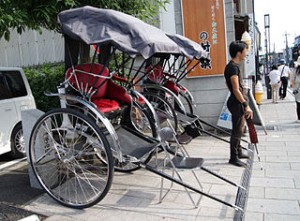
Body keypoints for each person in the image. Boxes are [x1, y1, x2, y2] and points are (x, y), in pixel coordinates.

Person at [224, 41, 253, 167]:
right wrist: (246, 104)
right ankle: (234, 157)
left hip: (235, 101)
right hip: (237, 103)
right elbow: (236, 89)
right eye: (245, 50)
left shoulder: (232, 66)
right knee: (237, 130)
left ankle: (239, 151)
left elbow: (228, 85)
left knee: (240, 129)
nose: (246, 53)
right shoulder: (233, 68)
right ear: (238, 53)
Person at [290, 57, 300, 122]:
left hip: (297, 88)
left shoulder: (295, 70)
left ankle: (299, 118)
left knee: (298, 104)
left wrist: (293, 86)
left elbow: (292, 80)